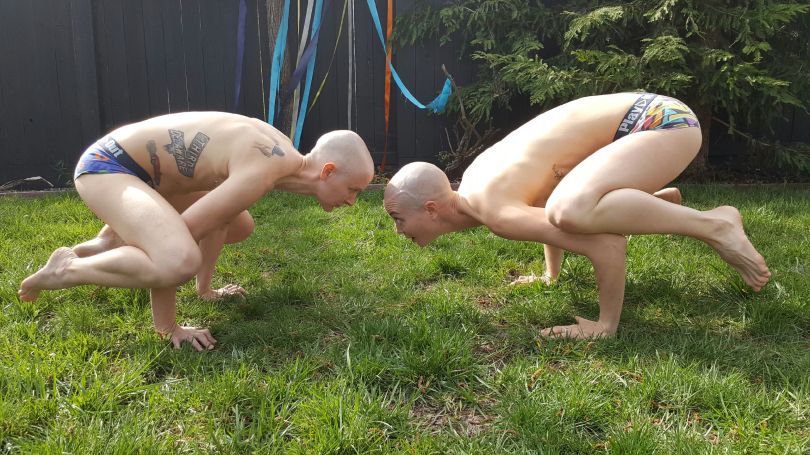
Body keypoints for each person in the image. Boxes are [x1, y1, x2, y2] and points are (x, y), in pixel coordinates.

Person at [383, 92, 771, 339]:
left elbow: (607, 245)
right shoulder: (477, 183)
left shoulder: (494, 211)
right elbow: (546, 203)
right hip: (656, 116)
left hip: (660, 124)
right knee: (563, 207)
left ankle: (714, 224)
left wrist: (605, 324)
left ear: (431, 209)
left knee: (571, 209)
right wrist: (551, 275)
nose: (398, 230)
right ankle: (652, 202)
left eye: (398, 218)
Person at [19, 112, 375, 350]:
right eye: (353, 190)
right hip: (109, 167)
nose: (352, 202)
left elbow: (216, 211)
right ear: (327, 171)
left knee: (238, 222)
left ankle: (193, 286)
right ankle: (67, 270)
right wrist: (169, 327)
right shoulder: (265, 168)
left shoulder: (284, 157)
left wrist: (203, 288)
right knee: (177, 256)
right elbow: (185, 235)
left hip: (151, 172)